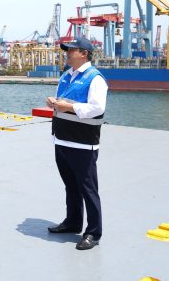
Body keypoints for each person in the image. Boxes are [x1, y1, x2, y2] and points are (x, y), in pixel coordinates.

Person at [45, 36, 108, 250]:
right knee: (71, 186)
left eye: (72, 50)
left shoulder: (95, 79)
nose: (67, 53)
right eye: (67, 50)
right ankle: (72, 222)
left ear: (84, 53)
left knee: (88, 189)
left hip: (82, 144)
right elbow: (63, 102)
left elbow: (97, 108)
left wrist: (68, 107)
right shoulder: (66, 75)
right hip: (62, 139)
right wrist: (53, 102)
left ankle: (93, 232)